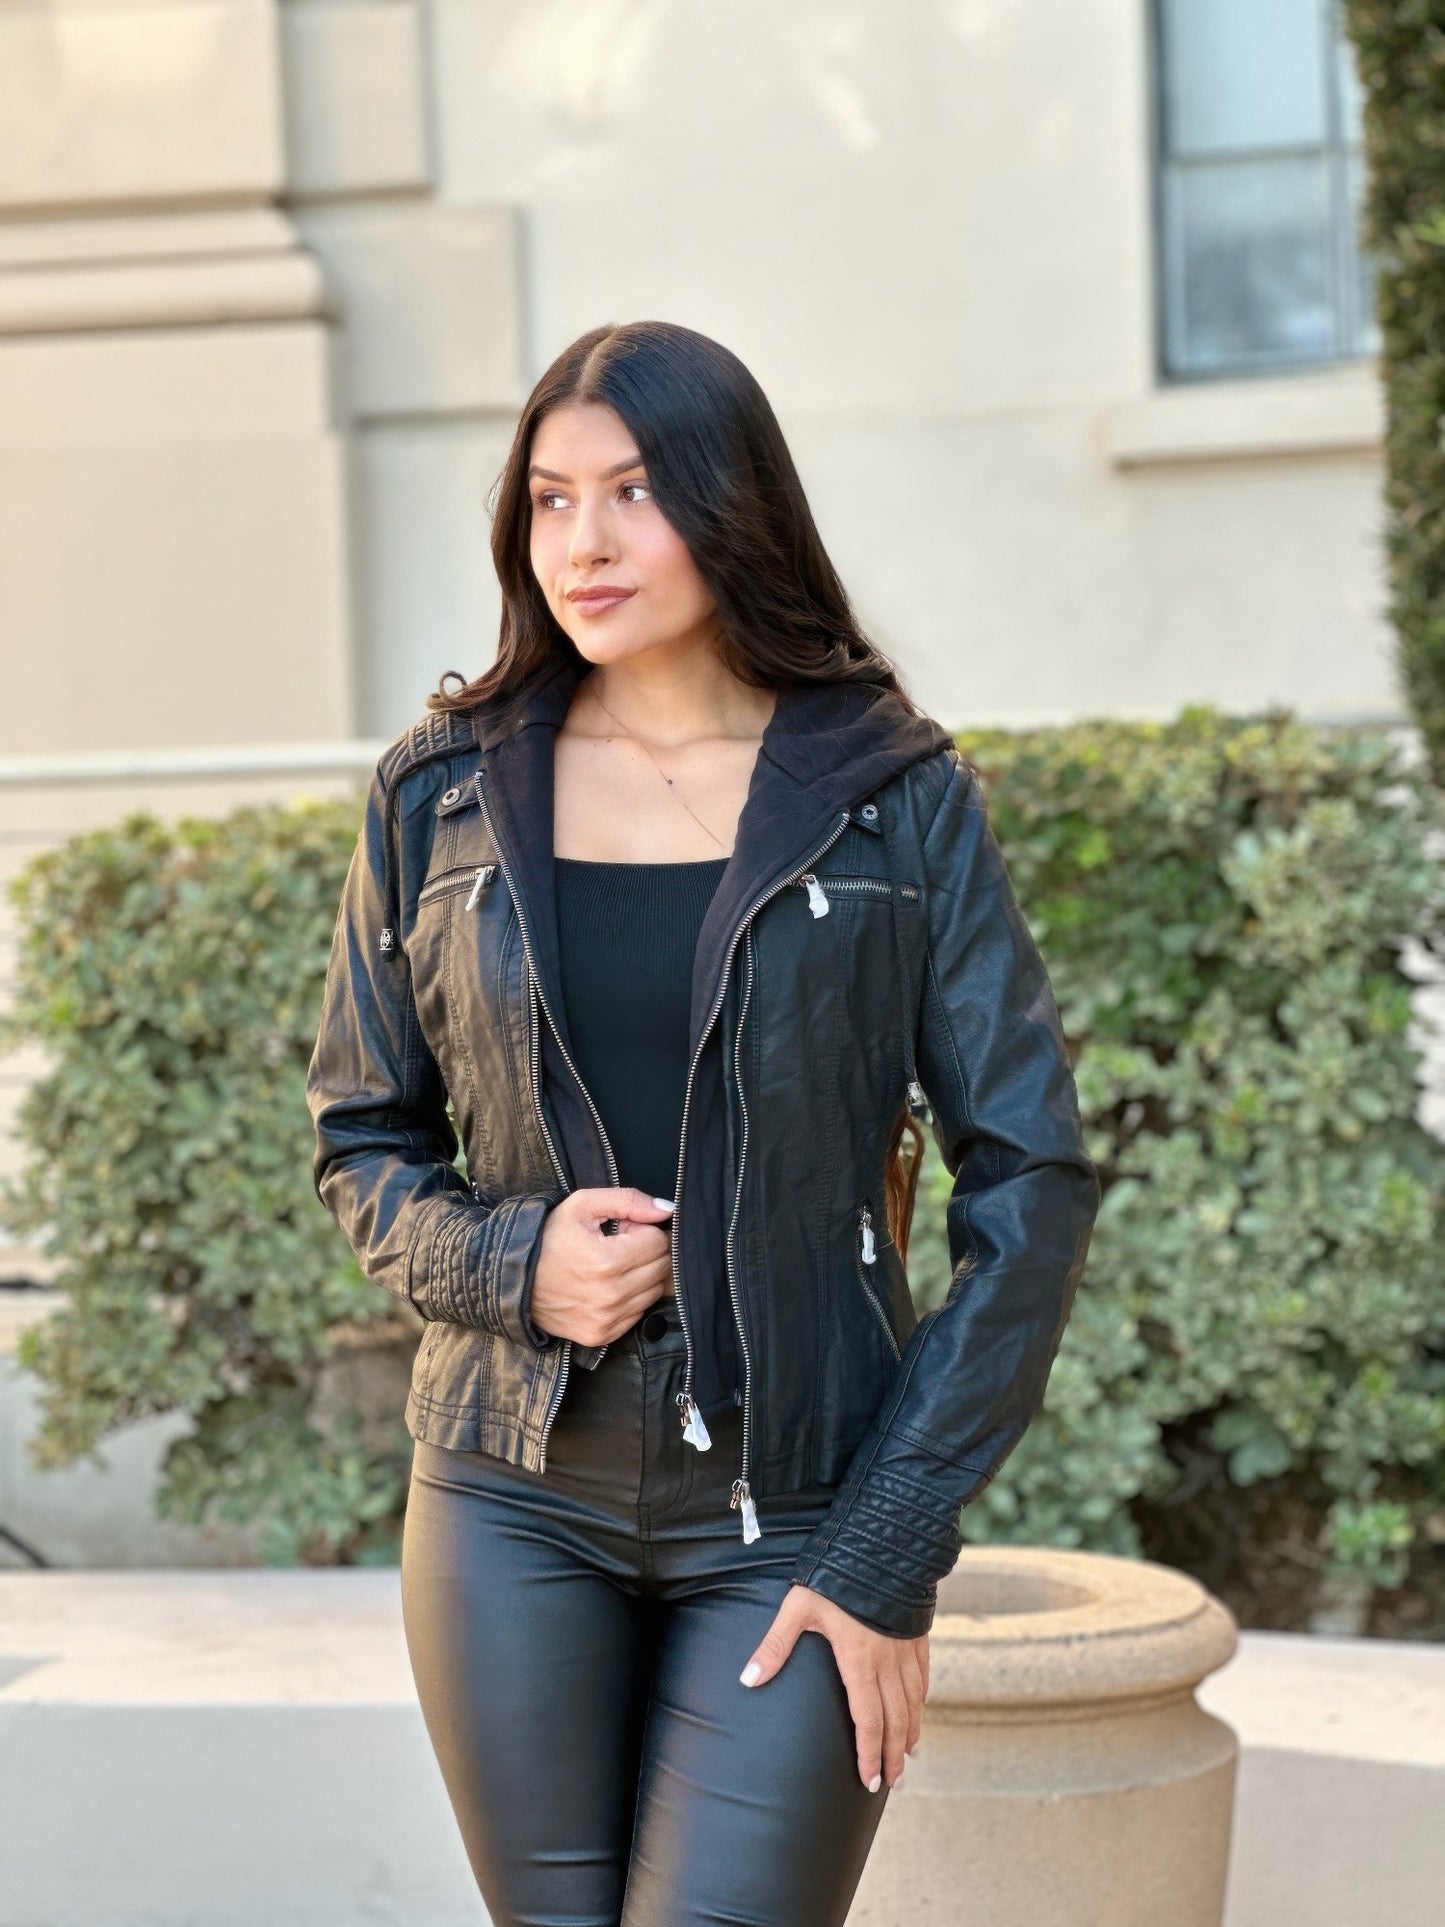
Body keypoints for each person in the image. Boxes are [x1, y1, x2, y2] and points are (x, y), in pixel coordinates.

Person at [306, 319, 1098, 1927]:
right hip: (505, 1494)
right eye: (548, 499)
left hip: (798, 1506)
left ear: (731, 507)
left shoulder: (893, 794)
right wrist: (512, 1263)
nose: (582, 543)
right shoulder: (436, 792)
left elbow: (1029, 1180)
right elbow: (361, 1136)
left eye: (634, 493)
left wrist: (887, 1544)